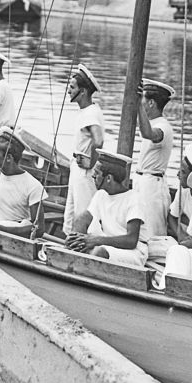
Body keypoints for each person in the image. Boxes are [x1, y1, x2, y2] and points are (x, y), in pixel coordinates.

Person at [65, 151, 148, 269]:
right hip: (108, 243)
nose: (93, 176)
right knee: (75, 233)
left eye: (97, 173)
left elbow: (131, 240)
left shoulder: (134, 199)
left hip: (133, 251)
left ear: (108, 178)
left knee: (99, 252)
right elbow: (83, 219)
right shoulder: (101, 195)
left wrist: (97, 240)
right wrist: (75, 239)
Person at [63, 63, 106, 235]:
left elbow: (99, 140)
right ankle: (69, 242)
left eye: (72, 87)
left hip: (84, 172)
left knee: (84, 215)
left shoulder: (90, 113)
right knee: (71, 214)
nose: (69, 91)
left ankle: (84, 249)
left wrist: (91, 164)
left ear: (84, 92)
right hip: (77, 168)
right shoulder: (85, 111)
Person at [133, 79, 175, 239]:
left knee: (152, 233)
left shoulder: (163, 127)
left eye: (142, 99)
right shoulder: (153, 122)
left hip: (152, 187)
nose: (141, 102)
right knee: (141, 228)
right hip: (142, 182)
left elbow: (148, 134)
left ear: (150, 103)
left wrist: (137, 106)